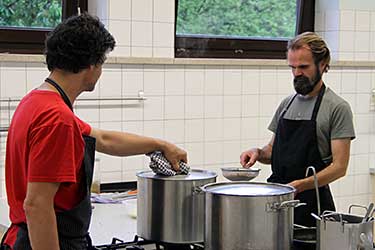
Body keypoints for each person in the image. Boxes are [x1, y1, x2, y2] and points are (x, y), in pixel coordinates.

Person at [0, 13, 187, 250]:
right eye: (102, 63)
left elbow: (104, 140)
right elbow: (36, 204)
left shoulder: (36, 101)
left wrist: (161, 145)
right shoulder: (58, 119)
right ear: (91, 65)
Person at [240, 32, 355, 227]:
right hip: (277, 202)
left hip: (313, 207)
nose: (297, 73)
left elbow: (339, 167)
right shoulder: (287, 104)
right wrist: (258, 153)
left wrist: (301, 185)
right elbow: (272, 151)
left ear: (323, 64)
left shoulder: (337, 107)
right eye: (292, 67)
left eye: (303, 67)